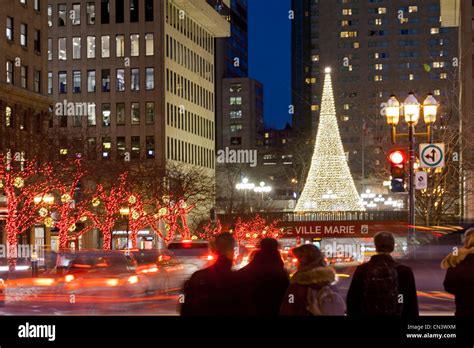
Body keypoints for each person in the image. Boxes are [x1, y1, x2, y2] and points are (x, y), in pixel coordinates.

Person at [346, 231, 419, 317]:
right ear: (392, 247)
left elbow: (352, 301)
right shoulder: (404, 271)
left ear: (376, 247)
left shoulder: (363, 270)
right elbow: (411, 304)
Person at [180, 233, 239, 316]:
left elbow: (183, 303)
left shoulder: (198, 277)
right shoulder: (238, 279)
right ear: (231, 252)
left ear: (214, 251)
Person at [280, 244, 344, 316]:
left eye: (299, 259)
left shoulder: (296, 286)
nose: (297, 263)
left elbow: (289, 305)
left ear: (303, 262)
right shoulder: (329, 283)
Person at [237, 238, 289, 316]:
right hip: (274, 307)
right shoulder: (277, 264)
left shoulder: (255, 262)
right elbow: (288, 293)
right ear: (276, 246)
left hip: (254, 307)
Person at [442, 228, 474, 316]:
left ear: (466, 240)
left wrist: (464, 293)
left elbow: (448, 285)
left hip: (463, 309)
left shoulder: (456, 259)